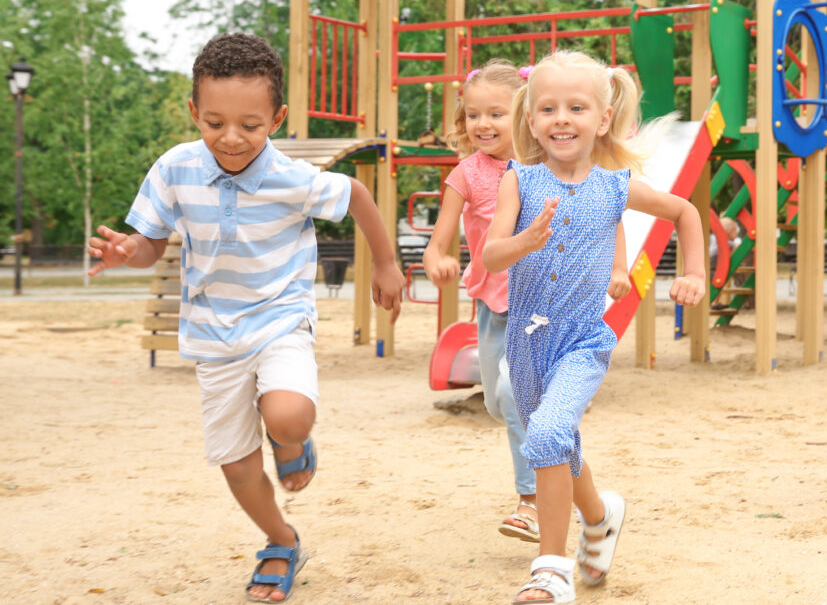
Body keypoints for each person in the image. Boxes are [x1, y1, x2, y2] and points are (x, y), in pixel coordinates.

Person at [87, 33, 405, 602]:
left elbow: (356, 193)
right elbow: (150, 243)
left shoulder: (292, 178)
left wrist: (386, 264)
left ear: (277, 119)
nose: (230, 139)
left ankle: (291, 442)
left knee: (287, 416)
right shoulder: (174, 169)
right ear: (194, 113)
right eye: (214, 123)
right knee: (236, 468)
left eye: (250, 126)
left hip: (280, 317)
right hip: (213, 334)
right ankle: (281, 540)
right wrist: (124, 252)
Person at [482, 50, 706, 603]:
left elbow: (685, 213)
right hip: (527, 343)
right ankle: (601, 518)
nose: (562, 118)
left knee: (549, 434)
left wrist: (694, 271)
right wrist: (521, 243)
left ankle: (550, 568)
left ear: (602, 119)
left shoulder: (615, 186)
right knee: (557, 442)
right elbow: (489, 258)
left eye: (577, 107)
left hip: (582, 340)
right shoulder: (519, 179)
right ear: (531, 119)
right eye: (548, 108)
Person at [422, 60, 542, 541]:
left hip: (540, 305)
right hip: (493, 308)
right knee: (497, 403)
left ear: (523, 115)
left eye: (495, 114)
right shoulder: (466, 174)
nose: (482, 125)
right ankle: (560, 463)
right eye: (473, 115)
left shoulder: (542, 165)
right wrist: (438, 262)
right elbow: (439, 243)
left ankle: (529, 501)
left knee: (515, 396)